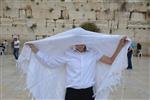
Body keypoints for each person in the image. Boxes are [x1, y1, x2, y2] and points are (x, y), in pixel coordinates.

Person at [27, 36, 128, 100]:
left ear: (85, 41)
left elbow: (110, 61)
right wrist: (34, 49)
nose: (79, 44)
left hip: (88, 93)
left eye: (81, 41)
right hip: (72, 92)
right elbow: (50, 62)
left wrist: (120, 46)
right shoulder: (68, 54)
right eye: (77, 42)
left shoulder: (93, 53)